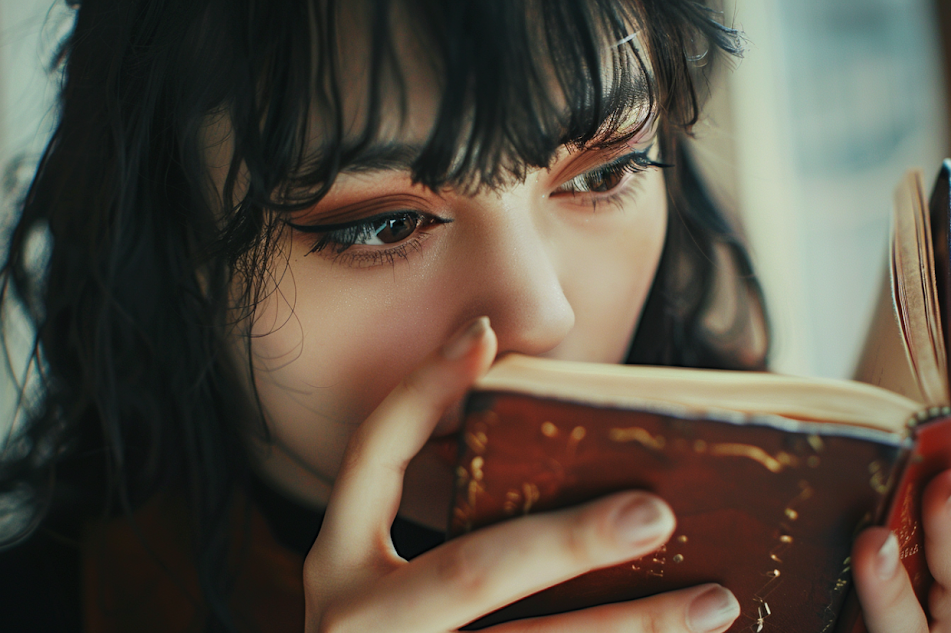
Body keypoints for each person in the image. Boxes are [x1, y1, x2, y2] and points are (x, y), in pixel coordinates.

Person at [0, 0, 948, 631]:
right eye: (384, 224)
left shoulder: (817, 533)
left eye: (606, 173)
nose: (541, 316)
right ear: (171, 248)